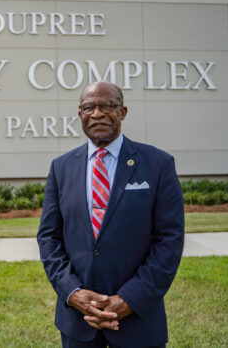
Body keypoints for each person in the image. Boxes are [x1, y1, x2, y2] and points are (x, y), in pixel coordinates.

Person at [37, 81, 185, 348]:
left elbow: (169, 241)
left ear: (123, 111)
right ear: (80, 114)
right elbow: (49, 238)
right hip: (77, 321)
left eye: (108, 106)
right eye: (89, 107)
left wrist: (128, 299)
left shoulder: (158, 164)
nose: (98, 114)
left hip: (138, 320)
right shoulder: (61, 168)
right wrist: (74, 293)